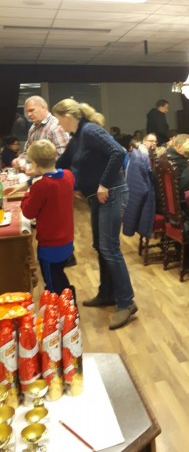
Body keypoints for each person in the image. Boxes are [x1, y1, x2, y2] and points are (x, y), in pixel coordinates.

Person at [52, 99, 137, 331]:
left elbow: (117, 152)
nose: (58, 124)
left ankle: (127, 302)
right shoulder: (77, 138)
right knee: (101, 246)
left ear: (68, 116)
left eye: (58, 119)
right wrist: (40, 172)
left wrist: (104, 184)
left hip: (112, 192)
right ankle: (107, 293)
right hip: (97, 196)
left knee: (110, 248)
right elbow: (62, 163)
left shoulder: (89, 130)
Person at [19, 140, 75, 297]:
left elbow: (28, 212)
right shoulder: (68, 175)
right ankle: (69, 302)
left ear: (36, 164)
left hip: (50, 243)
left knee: (52, 284)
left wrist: (28, 193)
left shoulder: (41, 186)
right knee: (59, 274)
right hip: (67, 238)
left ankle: (64, 307)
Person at [12, 96, 69, 168]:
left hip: (52, 173)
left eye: (31, 110)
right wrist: (19, 160)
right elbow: (27, 153)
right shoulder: (32, 128)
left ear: (43, 107)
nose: (29, 115)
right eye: (27, 112)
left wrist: (39, 169)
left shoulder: (56, 126)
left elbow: (62, 157)